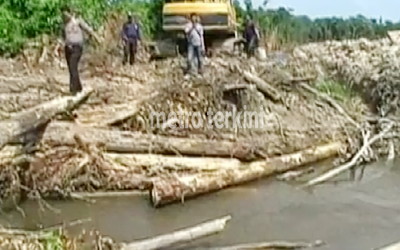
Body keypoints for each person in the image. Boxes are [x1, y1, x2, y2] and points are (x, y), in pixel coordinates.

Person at [62, 7, 100, 95]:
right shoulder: (64, 25)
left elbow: (88, 29)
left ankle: (74, 90)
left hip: (77, 47)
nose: (64, 16)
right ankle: (77, 87)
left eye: (66, 14)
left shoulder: (77, 21)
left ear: (70, 13)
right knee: (71, 68)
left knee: (73, 66)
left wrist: (97, 38)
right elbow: (63, 36)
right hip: (68, 48)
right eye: (63, 14)